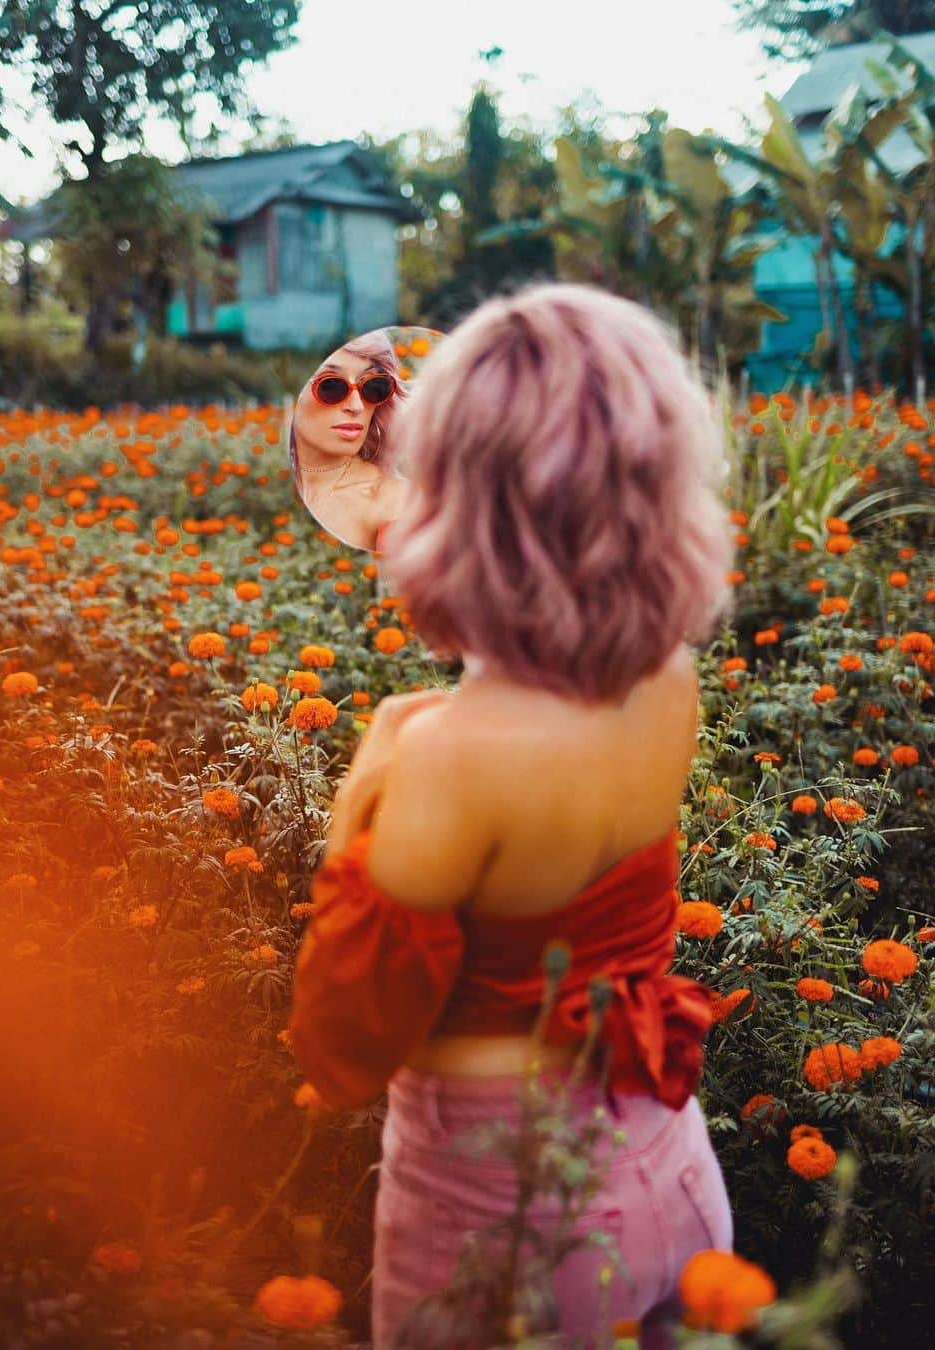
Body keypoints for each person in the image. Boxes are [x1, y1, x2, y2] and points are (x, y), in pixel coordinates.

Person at [288, 281, 737, 1349]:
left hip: (506, 1225)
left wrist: (370, 775)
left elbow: (342, 1039)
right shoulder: (665, 677)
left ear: (455, 508)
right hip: (668, 1165)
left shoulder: (443, 758)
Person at [289, 329, 415, 553]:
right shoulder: (260, 488)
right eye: (331, 385)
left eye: (373, 386)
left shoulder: (395, 503)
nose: (356, 406)